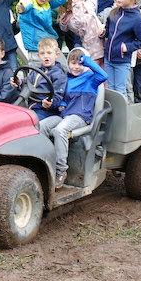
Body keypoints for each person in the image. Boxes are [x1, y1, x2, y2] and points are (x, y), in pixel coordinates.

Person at [39, 47, 108, 188]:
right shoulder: (66, 79)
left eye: (79, 64)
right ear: (68, 63)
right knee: (40, 126)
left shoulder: (91, 79)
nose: (76, 67)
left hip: (80, 117)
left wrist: (87, 61)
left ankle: (61, 170)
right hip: (64, 115)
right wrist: (50, 104)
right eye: (73, 63)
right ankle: (44, 163)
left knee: (60, 130)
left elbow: (103, 76)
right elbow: (61, 101)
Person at [99, 0, 141, 97]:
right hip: (109, 58)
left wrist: (126, 47)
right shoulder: (114, 12)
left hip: (122, 61)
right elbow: (107, 31)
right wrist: (102, 33)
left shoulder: (136, 18)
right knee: (110, 87)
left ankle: (121, 114)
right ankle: (111, 114)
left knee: (120, 89)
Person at [17, 0, 67, 65]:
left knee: (64, 68)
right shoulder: (29, 3)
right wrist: (22, 8)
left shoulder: (47, 4)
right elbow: (25, 4)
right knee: (37, 75)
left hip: (50, 45)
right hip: (36, 49)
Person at [11, 37, 67, 120]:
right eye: (42, 53)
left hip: (46, 111)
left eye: (49, 53)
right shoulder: (37, 71)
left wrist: (50, 102)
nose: (45, 56)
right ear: (38, 55)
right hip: (31, 106)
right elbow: (28, 84)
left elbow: (58, 96)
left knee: (27, 122)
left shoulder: (58, 74)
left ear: (57, 55)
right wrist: (19, 82)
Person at [59, 0, 105, 67]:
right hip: (91, 46)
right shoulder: (69, 19)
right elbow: (80, 21)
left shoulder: (86, 7)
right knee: (92, 68)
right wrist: (76, 3)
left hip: (102, 41)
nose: (73, 4)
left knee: (104, 69)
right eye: (70, 3)